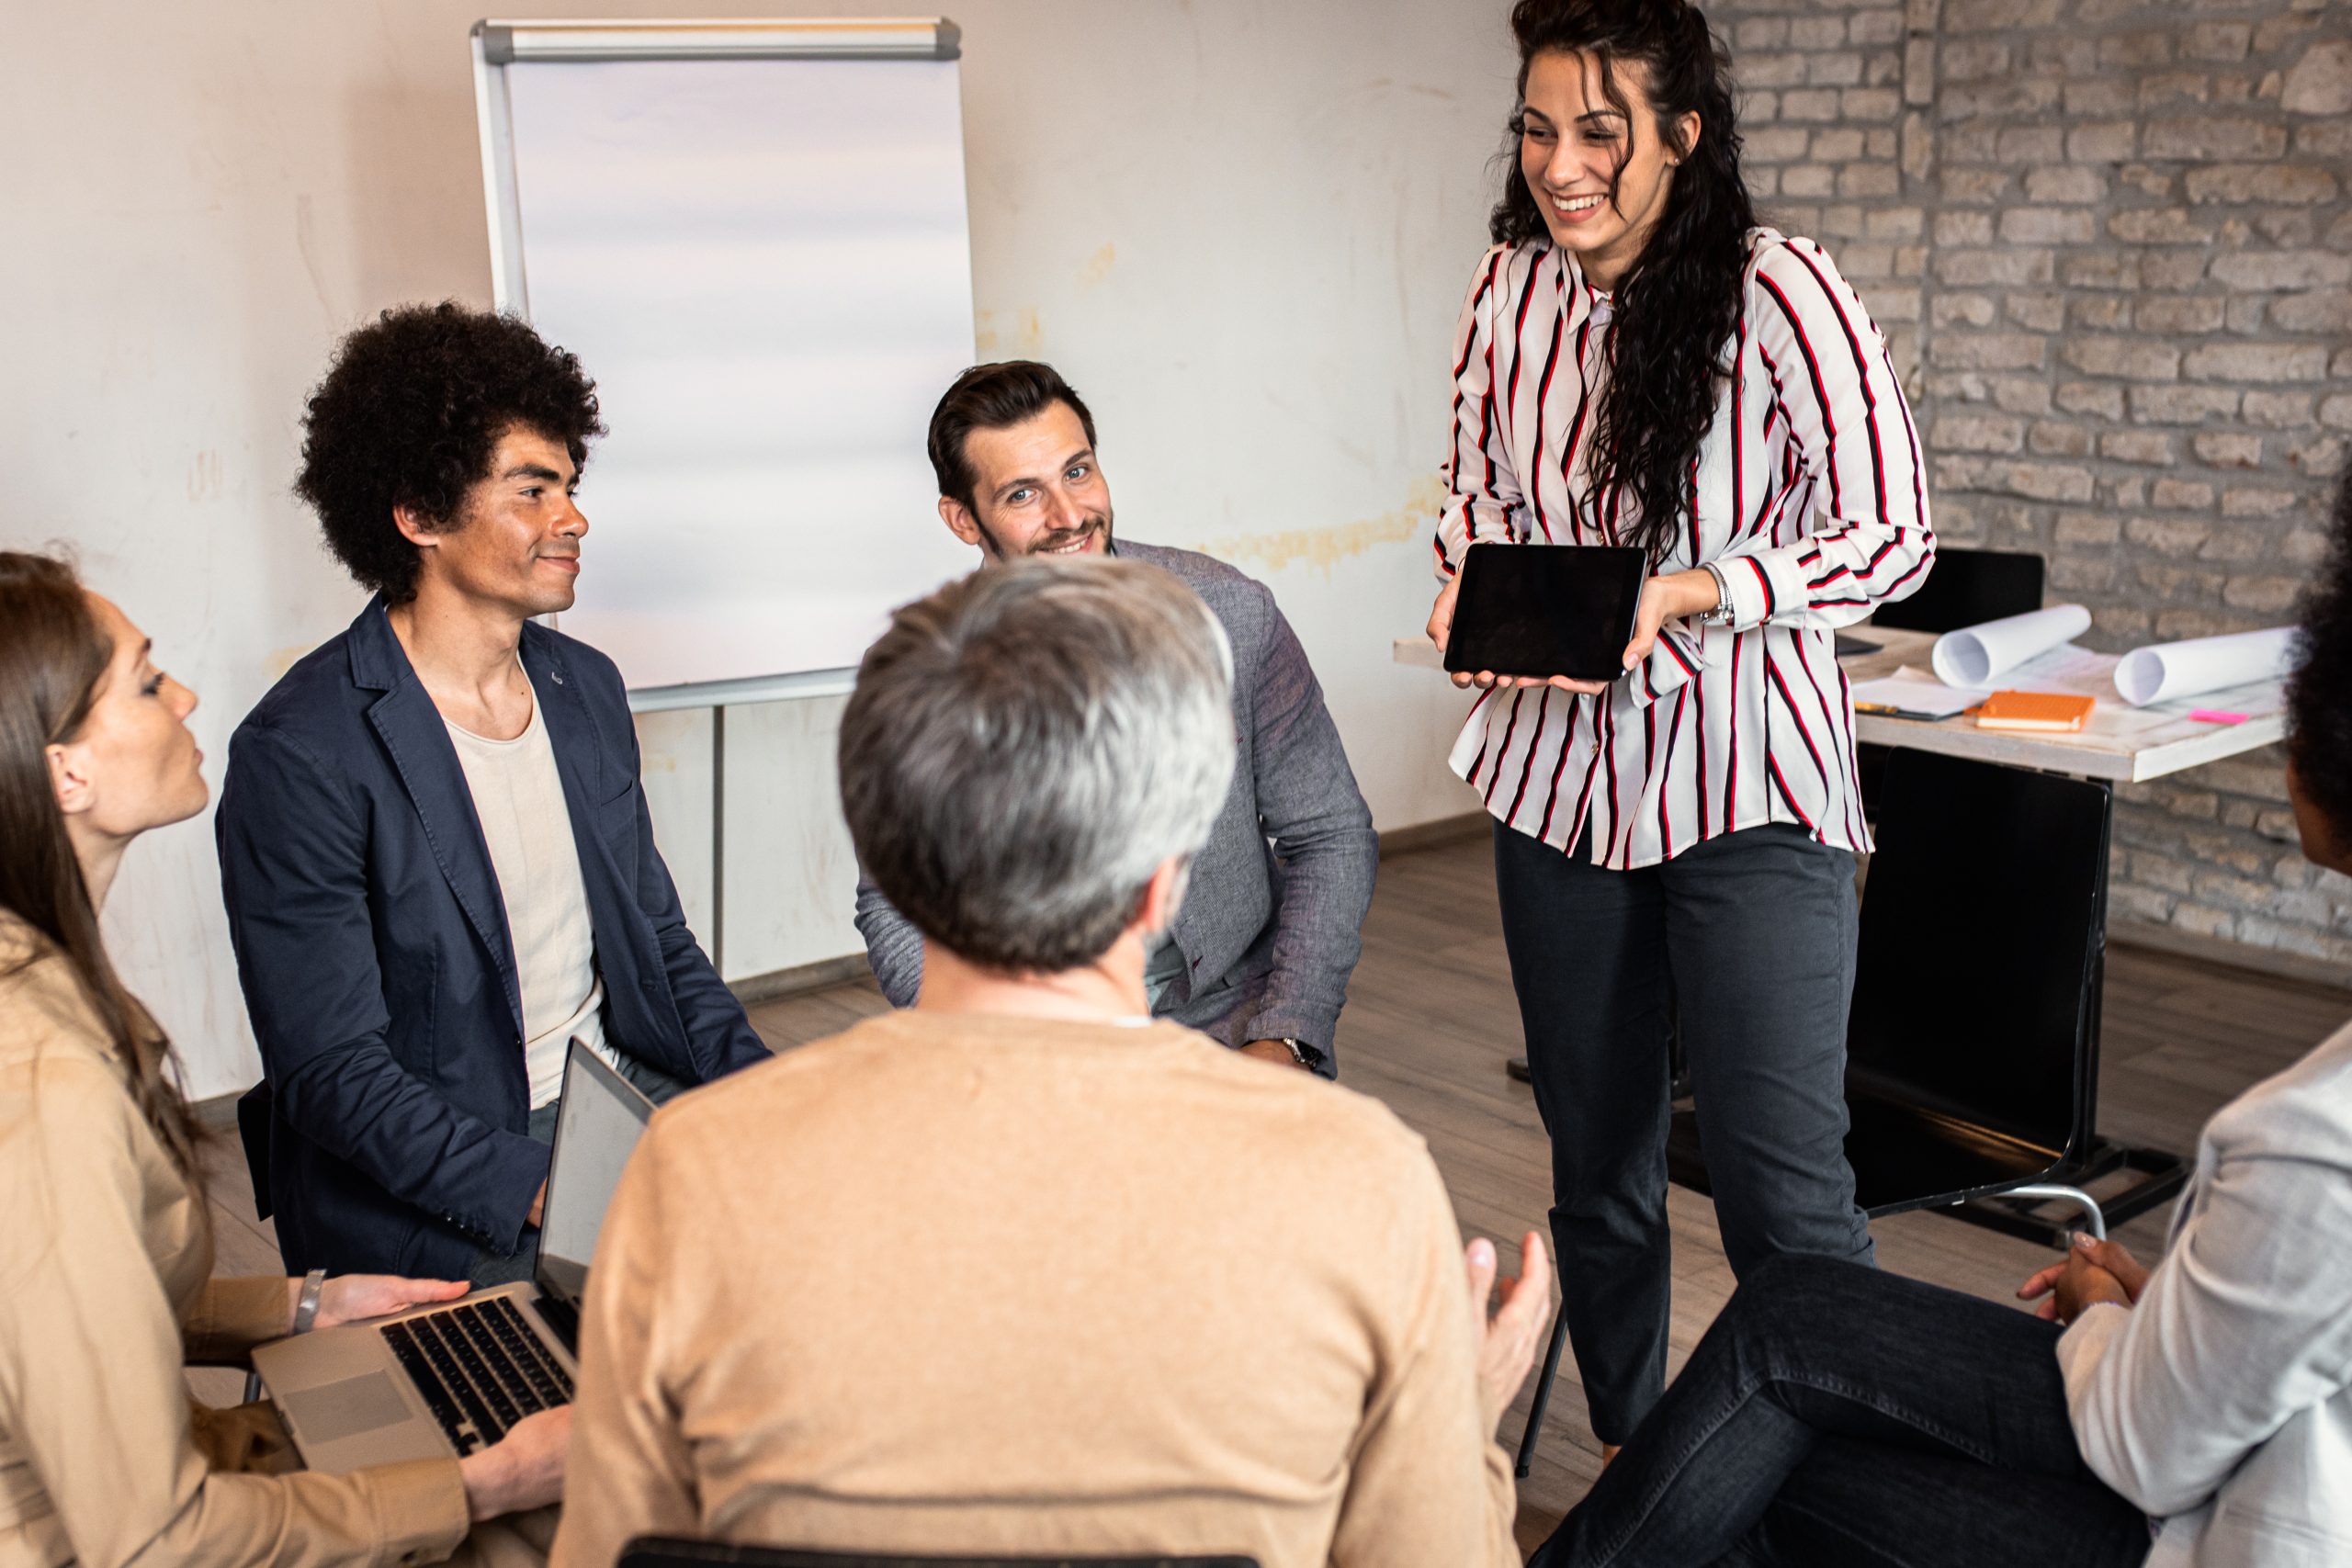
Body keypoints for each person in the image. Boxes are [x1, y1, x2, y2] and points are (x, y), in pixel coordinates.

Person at [554, 558, 1551, 1568]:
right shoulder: (1360, 1178)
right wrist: (1453, 1435)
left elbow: (609, 1550)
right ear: (1165, 883)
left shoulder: (690, 1167)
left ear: (884, 854)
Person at [1530, 467, 2352, 1568]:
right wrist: (2165, 1311)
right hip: (2229, 1436)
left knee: (1736, 1454)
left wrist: (2120, 1327)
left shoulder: (2311, 1141)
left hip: (2228, 1520)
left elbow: (2154, 1446)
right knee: (1774, 1347)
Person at [1424, 0, 1933, 1450]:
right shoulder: (1505, 291)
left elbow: (1893, 534)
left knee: (1786, 1194)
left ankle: (1843, 1485)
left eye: (1600, 131)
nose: (1560, 164)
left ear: (1681, 136)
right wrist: (1479, 593)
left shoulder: (1782, 288)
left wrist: (1703, 586)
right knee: (1598, 1176)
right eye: (1537, 128)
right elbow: (1470, 495)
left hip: (1752, 786)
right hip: (1555, 786)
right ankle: (1642, 1465)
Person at [0, 549, 567, 1568]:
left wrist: (303, 1306)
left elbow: (60, 1316)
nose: (186, 694)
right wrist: (481, 1485)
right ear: (65, 772)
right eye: (144, 679)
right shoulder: (42, 1080)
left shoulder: (49, 979)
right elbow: (155, 1541)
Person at [215, 304, 769, 1286]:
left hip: (616, 1093)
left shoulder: (583, 687)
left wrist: (767, 1099)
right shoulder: (300, 753)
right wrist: (558, 1189)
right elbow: (336, 1076)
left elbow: (660, 944)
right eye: (532, 489)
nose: (574, 518)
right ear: (420, 515)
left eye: (570, 485)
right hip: (454, 1163)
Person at [854, 360, 1376, 1076]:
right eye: (1022, 494)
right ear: (961, 518)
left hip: (1234, 1020)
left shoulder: (1233, 615)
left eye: (1078, 472)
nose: (1069, 516)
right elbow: (896, 907)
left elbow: (1330, 834)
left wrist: (1286, 1031)